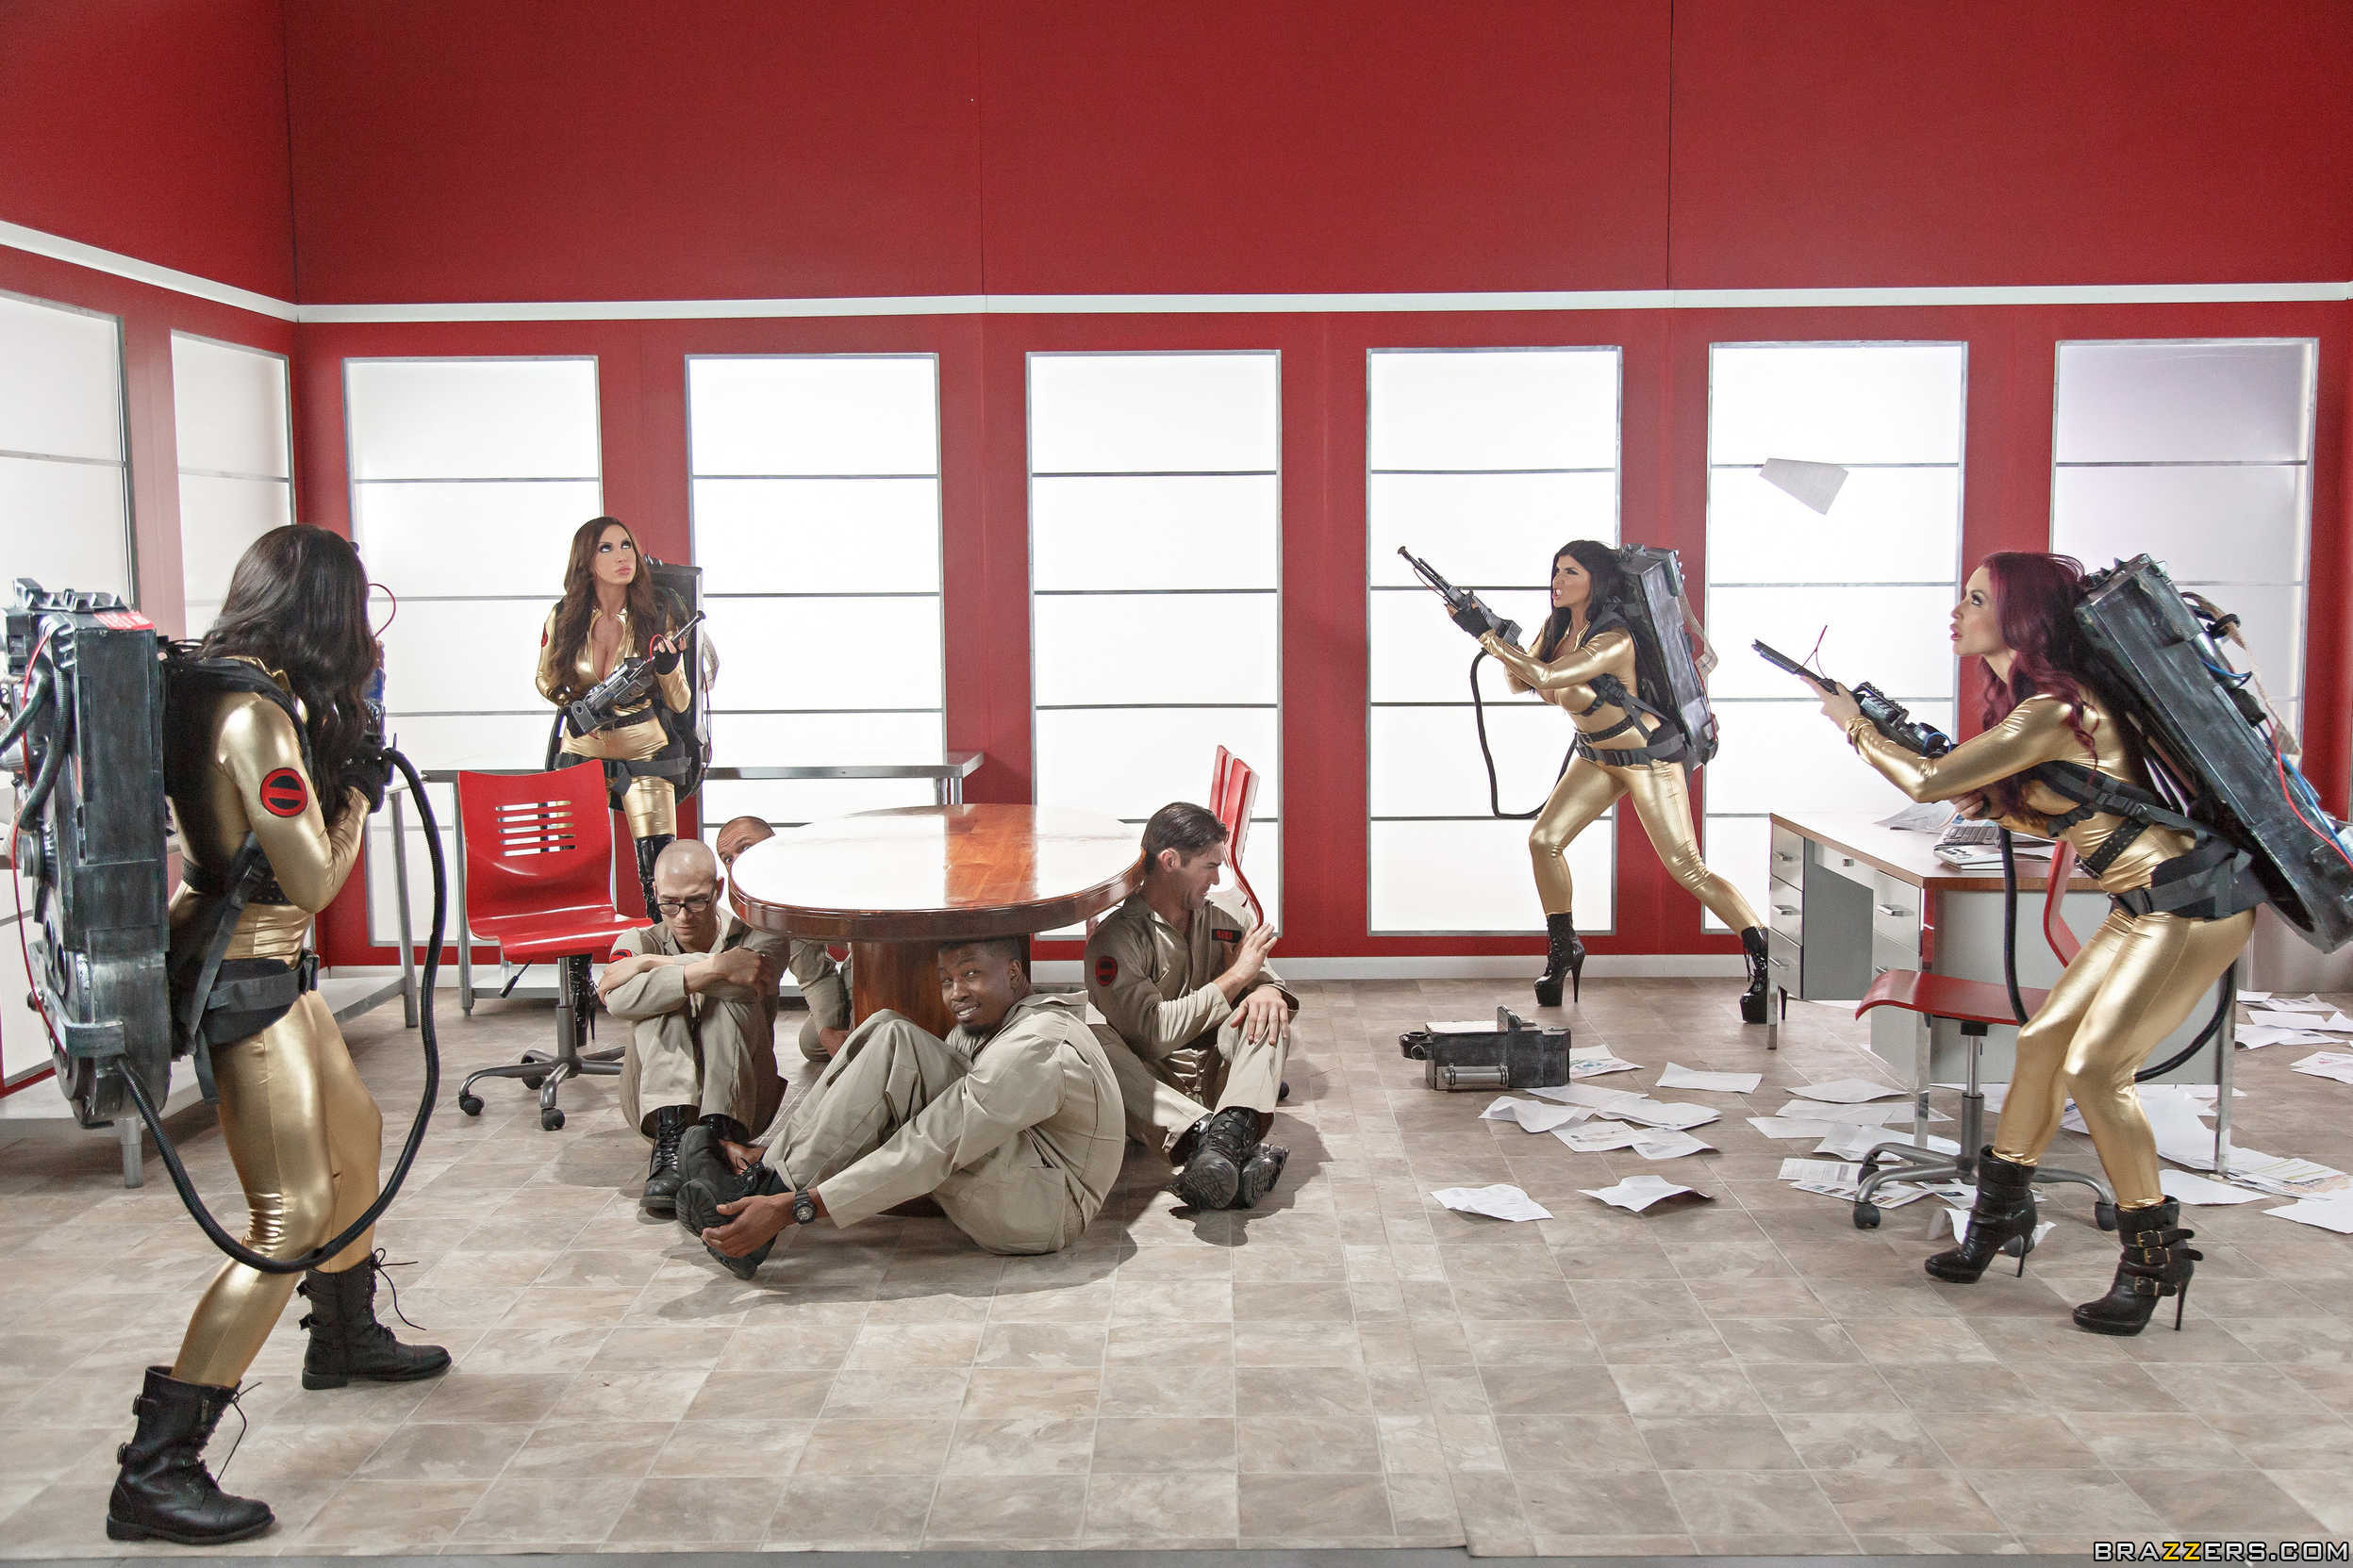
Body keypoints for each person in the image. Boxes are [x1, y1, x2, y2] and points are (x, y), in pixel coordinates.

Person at [1812, 552, 2255, 1334]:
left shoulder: (2053, 709)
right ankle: (2000, 1214)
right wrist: (1983, 796)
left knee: (2097, 1070)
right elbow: (2067, 812)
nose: (1958, 611)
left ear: (2020, 617)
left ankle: (2154, 1255)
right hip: (2140, 902)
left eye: (1977, 599)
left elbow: (1929, 781)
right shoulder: (2039, 710)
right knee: (2045, 1039)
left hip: (2189, 904)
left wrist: (1852, 724)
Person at [109, 526, 447, 1546]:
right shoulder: (254, 715)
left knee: (357, 1136)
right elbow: (312, 880)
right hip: (247, 978)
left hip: (270, 968)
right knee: (286, 1216)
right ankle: (157, 1468)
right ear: (325, 612)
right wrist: (358, 793)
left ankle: (342, 1334)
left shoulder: (220, 687)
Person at [678, 937, 1123, 1277]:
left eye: (971, 974)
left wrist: (798, 1207)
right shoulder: (989, 1026)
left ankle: (765, 1198)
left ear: (1013, 973)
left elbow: (933, 1145)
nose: (956, 993)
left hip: (1048, 1212)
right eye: (947, 981)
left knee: (901, 1048)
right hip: (1029, 1178)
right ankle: (761, 1178)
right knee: (885, 1025)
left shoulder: (1035, 1044)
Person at [1464, 541, 1770, 1021]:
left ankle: (1765, 961)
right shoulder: (1559, 627)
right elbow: (1522, 682)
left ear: (1597, 580)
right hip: (1596, 755)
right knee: (1544, 841)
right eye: (1556, 571)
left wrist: (1484, 635)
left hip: (1647, 758)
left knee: (1686, 867)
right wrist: (1498, 632)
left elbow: (1546, 674)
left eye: (1571, 572)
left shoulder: (1613, 639)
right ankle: (1564, 949)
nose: (1558, 581)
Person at [1085, 802, 1292, 1212]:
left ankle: (1217, 1147)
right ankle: (1221, 1142)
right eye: (1209, 866)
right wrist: (1235, 978)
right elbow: (1153, 1035)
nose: (1217, 880)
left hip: (1221, 1078)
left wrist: (1268, 990)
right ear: (1170, 861)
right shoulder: (1116, 941)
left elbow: (1267, 979)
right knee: (1089, 1039)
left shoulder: (1227, 917)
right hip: (1155, 1091)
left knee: (1266, 1015)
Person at [600, 839, 788, 1214]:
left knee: (719, 1002)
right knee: (662, 1004)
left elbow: (747, 985)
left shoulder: (760, 936)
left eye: (696, 901)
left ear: (717, 889)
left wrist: (649, 966)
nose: (682, 916)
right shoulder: (638, 941)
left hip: (746, 1102)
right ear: (655, 892)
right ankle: (673, 1139)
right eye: (669, 903)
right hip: (653, 1110)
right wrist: (717, 967)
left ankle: (719, 1136)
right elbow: (618, 1001)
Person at [536, 516, 694, 916]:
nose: (623, 556)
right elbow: (544, 678)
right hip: (581, 749)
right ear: (586, 560)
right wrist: (575, 703)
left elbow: (680, 703)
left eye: (626, 546)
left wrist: (667, 669)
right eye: (606, 548)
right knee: (569, 874)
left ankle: (665, 953)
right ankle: (578, 960)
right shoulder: (563, 616)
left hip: (645, 752)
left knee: (662, 879)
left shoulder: (658, 614)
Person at [713, 814, 851, 1062]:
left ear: (774, 842)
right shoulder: (774, 904)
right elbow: (814, 975)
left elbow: (880, 947)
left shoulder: (824, 874)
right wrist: (827, 1032)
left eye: (745, 848)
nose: (737, 863)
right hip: (859, 967)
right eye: (728, 859)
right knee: (812, 1042)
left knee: (869, 1028)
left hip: (896, 961)